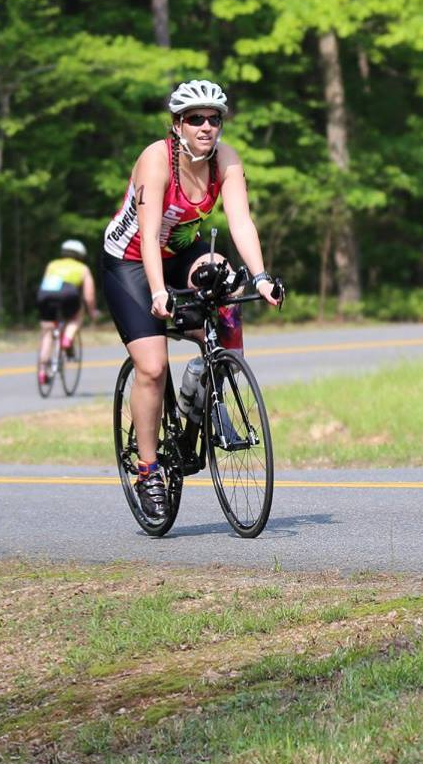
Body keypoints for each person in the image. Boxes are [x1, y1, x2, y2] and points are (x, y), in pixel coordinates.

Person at [101, 79, 282, 518]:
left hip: (181, 251)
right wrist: (159, 292)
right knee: (153, 366)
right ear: (178, 124)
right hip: (130, 260)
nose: (206, 126)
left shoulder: (226, 160)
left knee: (226, 282)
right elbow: (146, 238)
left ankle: (206, 380)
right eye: (195, 119)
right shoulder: (156, 159)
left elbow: (241, 223)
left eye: (214, 118)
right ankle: (148, 470)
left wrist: (259, 277)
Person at [36, 239, 98, 384]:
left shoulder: (52, 264)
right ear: (80, 255)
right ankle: (67, 339)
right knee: (77, 314)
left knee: (48, 331)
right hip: (68, 294)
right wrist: (92, 311)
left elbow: (45, 284)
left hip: (46, 294)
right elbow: (89, 296)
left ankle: (42, 372)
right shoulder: (83, 268)